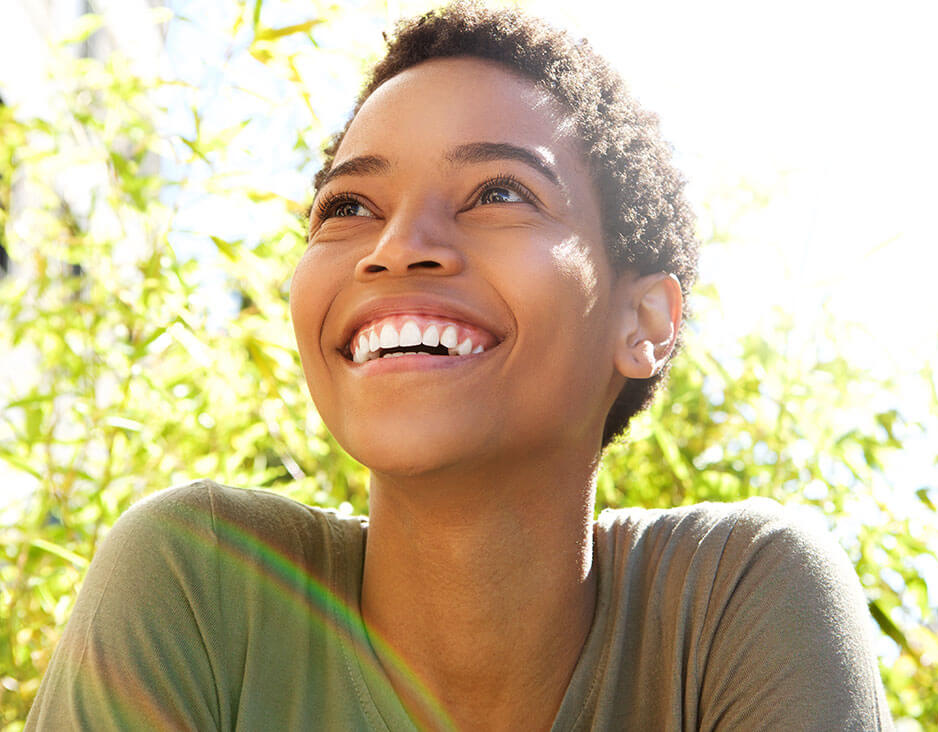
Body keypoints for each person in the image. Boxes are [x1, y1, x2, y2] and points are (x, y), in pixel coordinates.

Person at [26, 3, 892, 730]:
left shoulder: (733, 605)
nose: (398, 247)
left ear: (645, 321)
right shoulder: (198, 584)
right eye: (350, 205)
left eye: (499, 193)